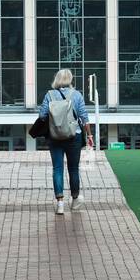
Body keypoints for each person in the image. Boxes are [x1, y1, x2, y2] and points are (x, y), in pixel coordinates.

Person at [40, 69, 93, 215]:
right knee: (73, 169)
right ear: (70, 79)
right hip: (73, 136)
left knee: (57, 169)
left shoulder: (49, 95)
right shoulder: (76, 95)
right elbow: (84, 117)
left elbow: (42, 115)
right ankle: (75, 200)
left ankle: (60, 203)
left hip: (54, 136)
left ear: (56, 79)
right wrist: (89, 135)